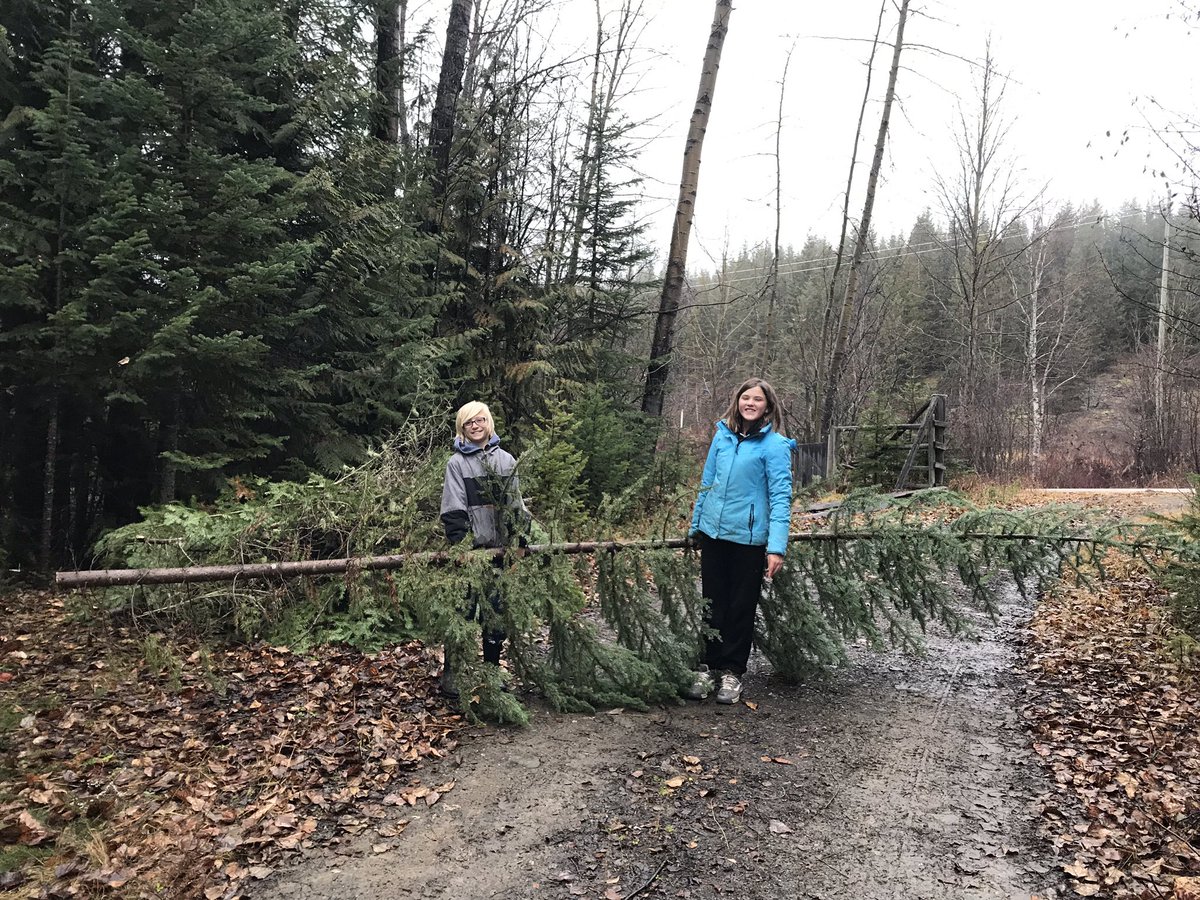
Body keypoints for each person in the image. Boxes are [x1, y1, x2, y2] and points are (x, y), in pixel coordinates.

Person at [686, 377, 796, 704]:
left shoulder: (775, 447)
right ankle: (707, 667)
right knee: (712, 604)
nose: (750, 403)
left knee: (739, 608)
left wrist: (776, 548)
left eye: (757, 399)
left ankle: (732, 673)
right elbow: (707, 483)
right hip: (714, 535)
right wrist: (696, 528)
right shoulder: (721, 437)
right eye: (745, 398)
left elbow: (780, 498)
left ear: (768, 407)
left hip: (749, 541)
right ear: (737, 402)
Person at [439, 401, 529, 697]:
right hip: (470, 553)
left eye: (480, 420)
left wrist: (518, 541)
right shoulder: (457, 464)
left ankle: (491, 668)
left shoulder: (506, 461)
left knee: (495, 613)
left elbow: (516, 505)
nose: (475, 426)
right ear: (462, 429)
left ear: (488, 423)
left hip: (499, 553)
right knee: (462, 611)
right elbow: (453, 508)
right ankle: (453, 672)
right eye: (468, 423)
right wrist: (462, 547)